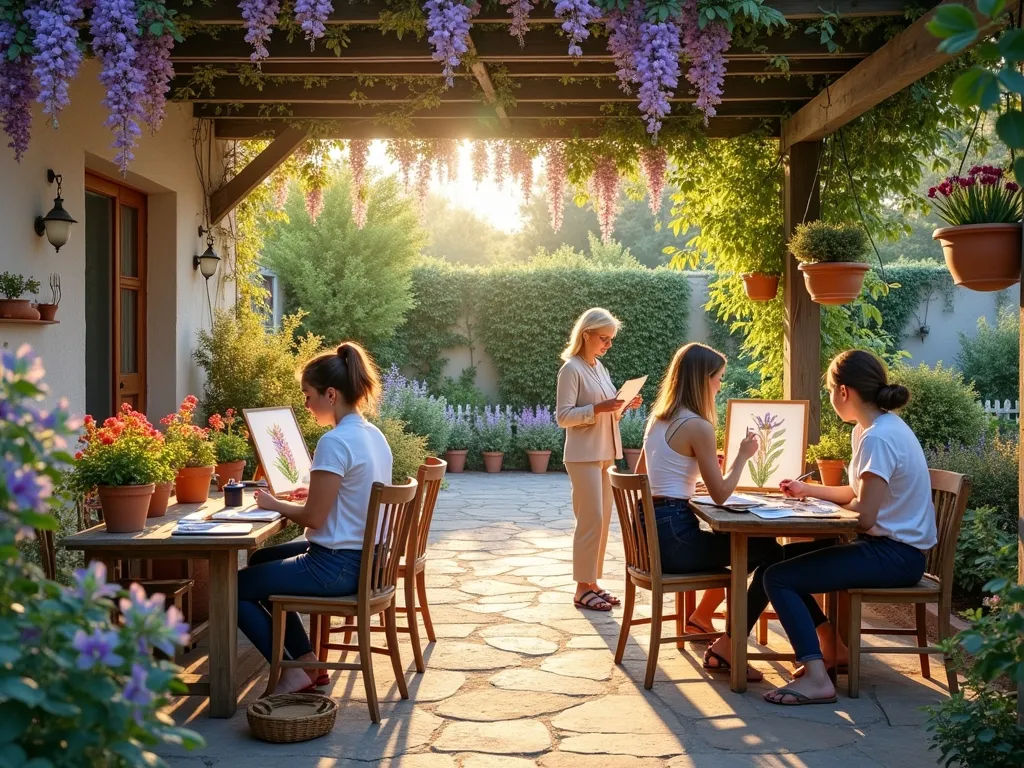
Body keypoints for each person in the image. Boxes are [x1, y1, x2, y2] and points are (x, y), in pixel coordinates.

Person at [755, 349, 937, 706]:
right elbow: (856, 493)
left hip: (895, 555)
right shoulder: (869, 430)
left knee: (780, 578)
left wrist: (829, 510)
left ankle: (818, 679)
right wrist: (809, 490)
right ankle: (829, 653)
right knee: (774, 564)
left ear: (843, 392)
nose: (829, 398)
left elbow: (865, 516)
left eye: (828, 390)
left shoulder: (878, 438)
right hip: (886, 549)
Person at [240, 341, 393, 694]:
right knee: (262, 559)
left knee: (234, 589)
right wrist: (313, 492)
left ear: (330, 394)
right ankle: (308, 663)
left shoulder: (335, 442)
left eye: (308, 396)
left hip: (336, 566)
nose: (306, 405)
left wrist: (272, 503)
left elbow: (314, 517)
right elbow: (354, 492)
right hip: (365, 561)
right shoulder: (373, 435)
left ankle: (294, 671)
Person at [640, 342, 783, 681]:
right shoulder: (697, 425)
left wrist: (692, 481)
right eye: (718, 378)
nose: (720, 385)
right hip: (675, 535)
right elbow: (721, 496)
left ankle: (709, 621)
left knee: (749, 549)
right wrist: (742, 456)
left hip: (653, 530)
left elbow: (647, 477)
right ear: (702, 380)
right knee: (771, 552)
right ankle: (730, 646)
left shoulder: (657, 420)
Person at [556, 307, 641, 612]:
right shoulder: (571, 369)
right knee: (590, 520)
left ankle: (592, 582)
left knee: (603, 521)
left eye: (611, 339)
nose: (608, 344)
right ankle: (581, 589)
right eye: (604, 338)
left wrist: (623, 405)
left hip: (605, 453)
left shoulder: (599, 368)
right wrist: (598, 408)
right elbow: (563, 417)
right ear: (586, 334)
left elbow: (608, 412)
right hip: (583, 456)